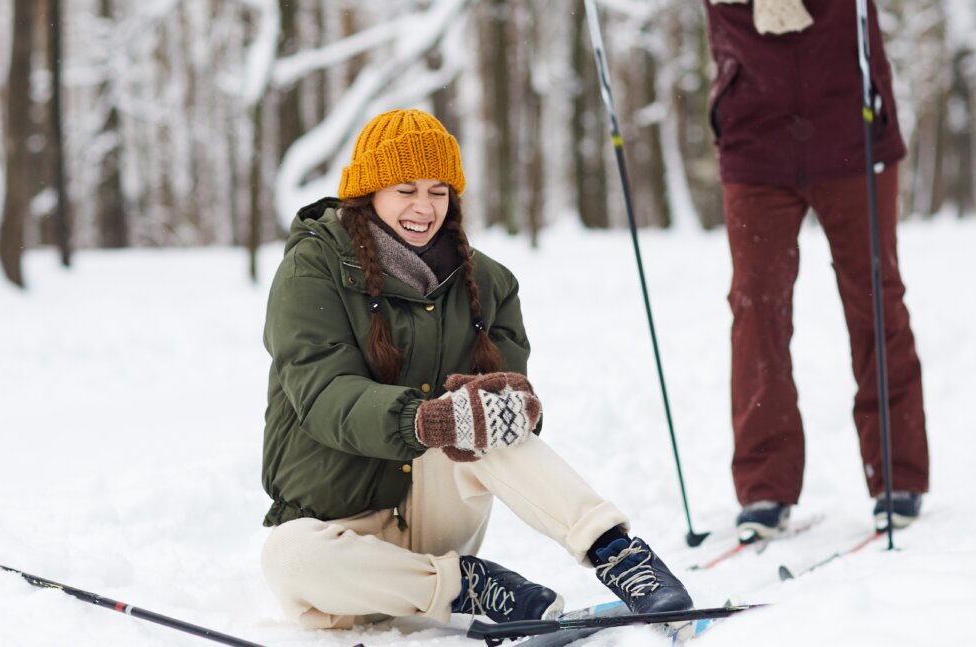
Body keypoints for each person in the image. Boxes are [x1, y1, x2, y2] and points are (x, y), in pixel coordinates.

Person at [257, 109, 693, 630]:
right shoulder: (313, 268)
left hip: (435, 514)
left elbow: (507, 416)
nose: (424, 207)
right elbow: (324, 394)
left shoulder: (487, 283)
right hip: (342, 540)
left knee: (490, 418)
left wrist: (512, 406)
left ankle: (618, 554)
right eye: (406, 189)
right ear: (369, 191)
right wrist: (429, 420)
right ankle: (468, 586)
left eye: (439, 191)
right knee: (287, 558)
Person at [701, 0, 930, 541]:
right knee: (756, 309)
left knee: (874, 296)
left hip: (853, 128)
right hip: (754, 137)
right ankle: (765, 485)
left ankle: (898, 474)